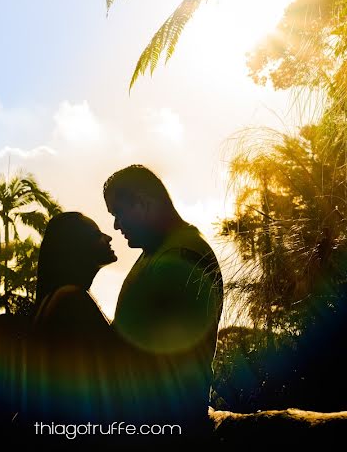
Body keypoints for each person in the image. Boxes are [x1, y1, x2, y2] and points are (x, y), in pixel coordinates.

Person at [103, 164, 223, 435]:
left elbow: (149, 352)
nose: (115, 225)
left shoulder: (180, 256)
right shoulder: (156, 251)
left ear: (143, 203)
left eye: (118, 213)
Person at [24, 211, 122, 424]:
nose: (109, 237)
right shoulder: (71, 299)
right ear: (78, 246)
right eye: (97, 234)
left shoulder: (61, 297)